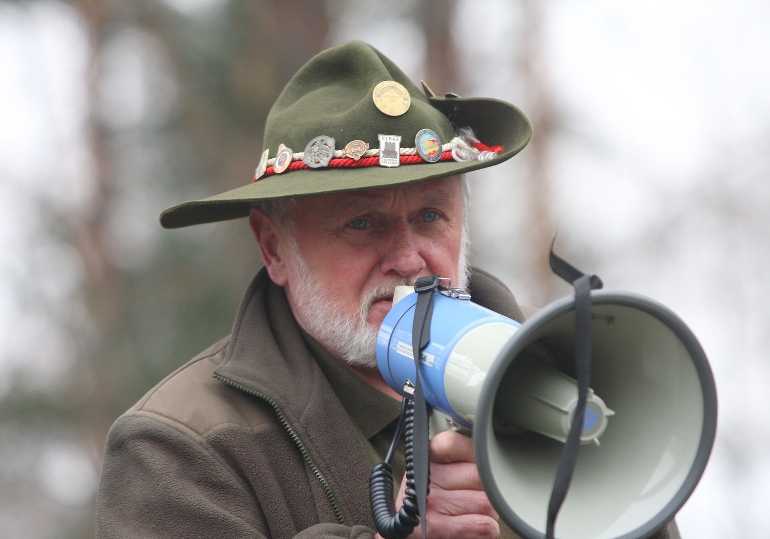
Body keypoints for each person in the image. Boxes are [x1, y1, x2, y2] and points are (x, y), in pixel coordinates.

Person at [95, 41, 680, 539]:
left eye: (430, 216)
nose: (409, 260)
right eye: (361, 224)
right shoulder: (182, 448)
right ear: (274, 248)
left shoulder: (571, 363)